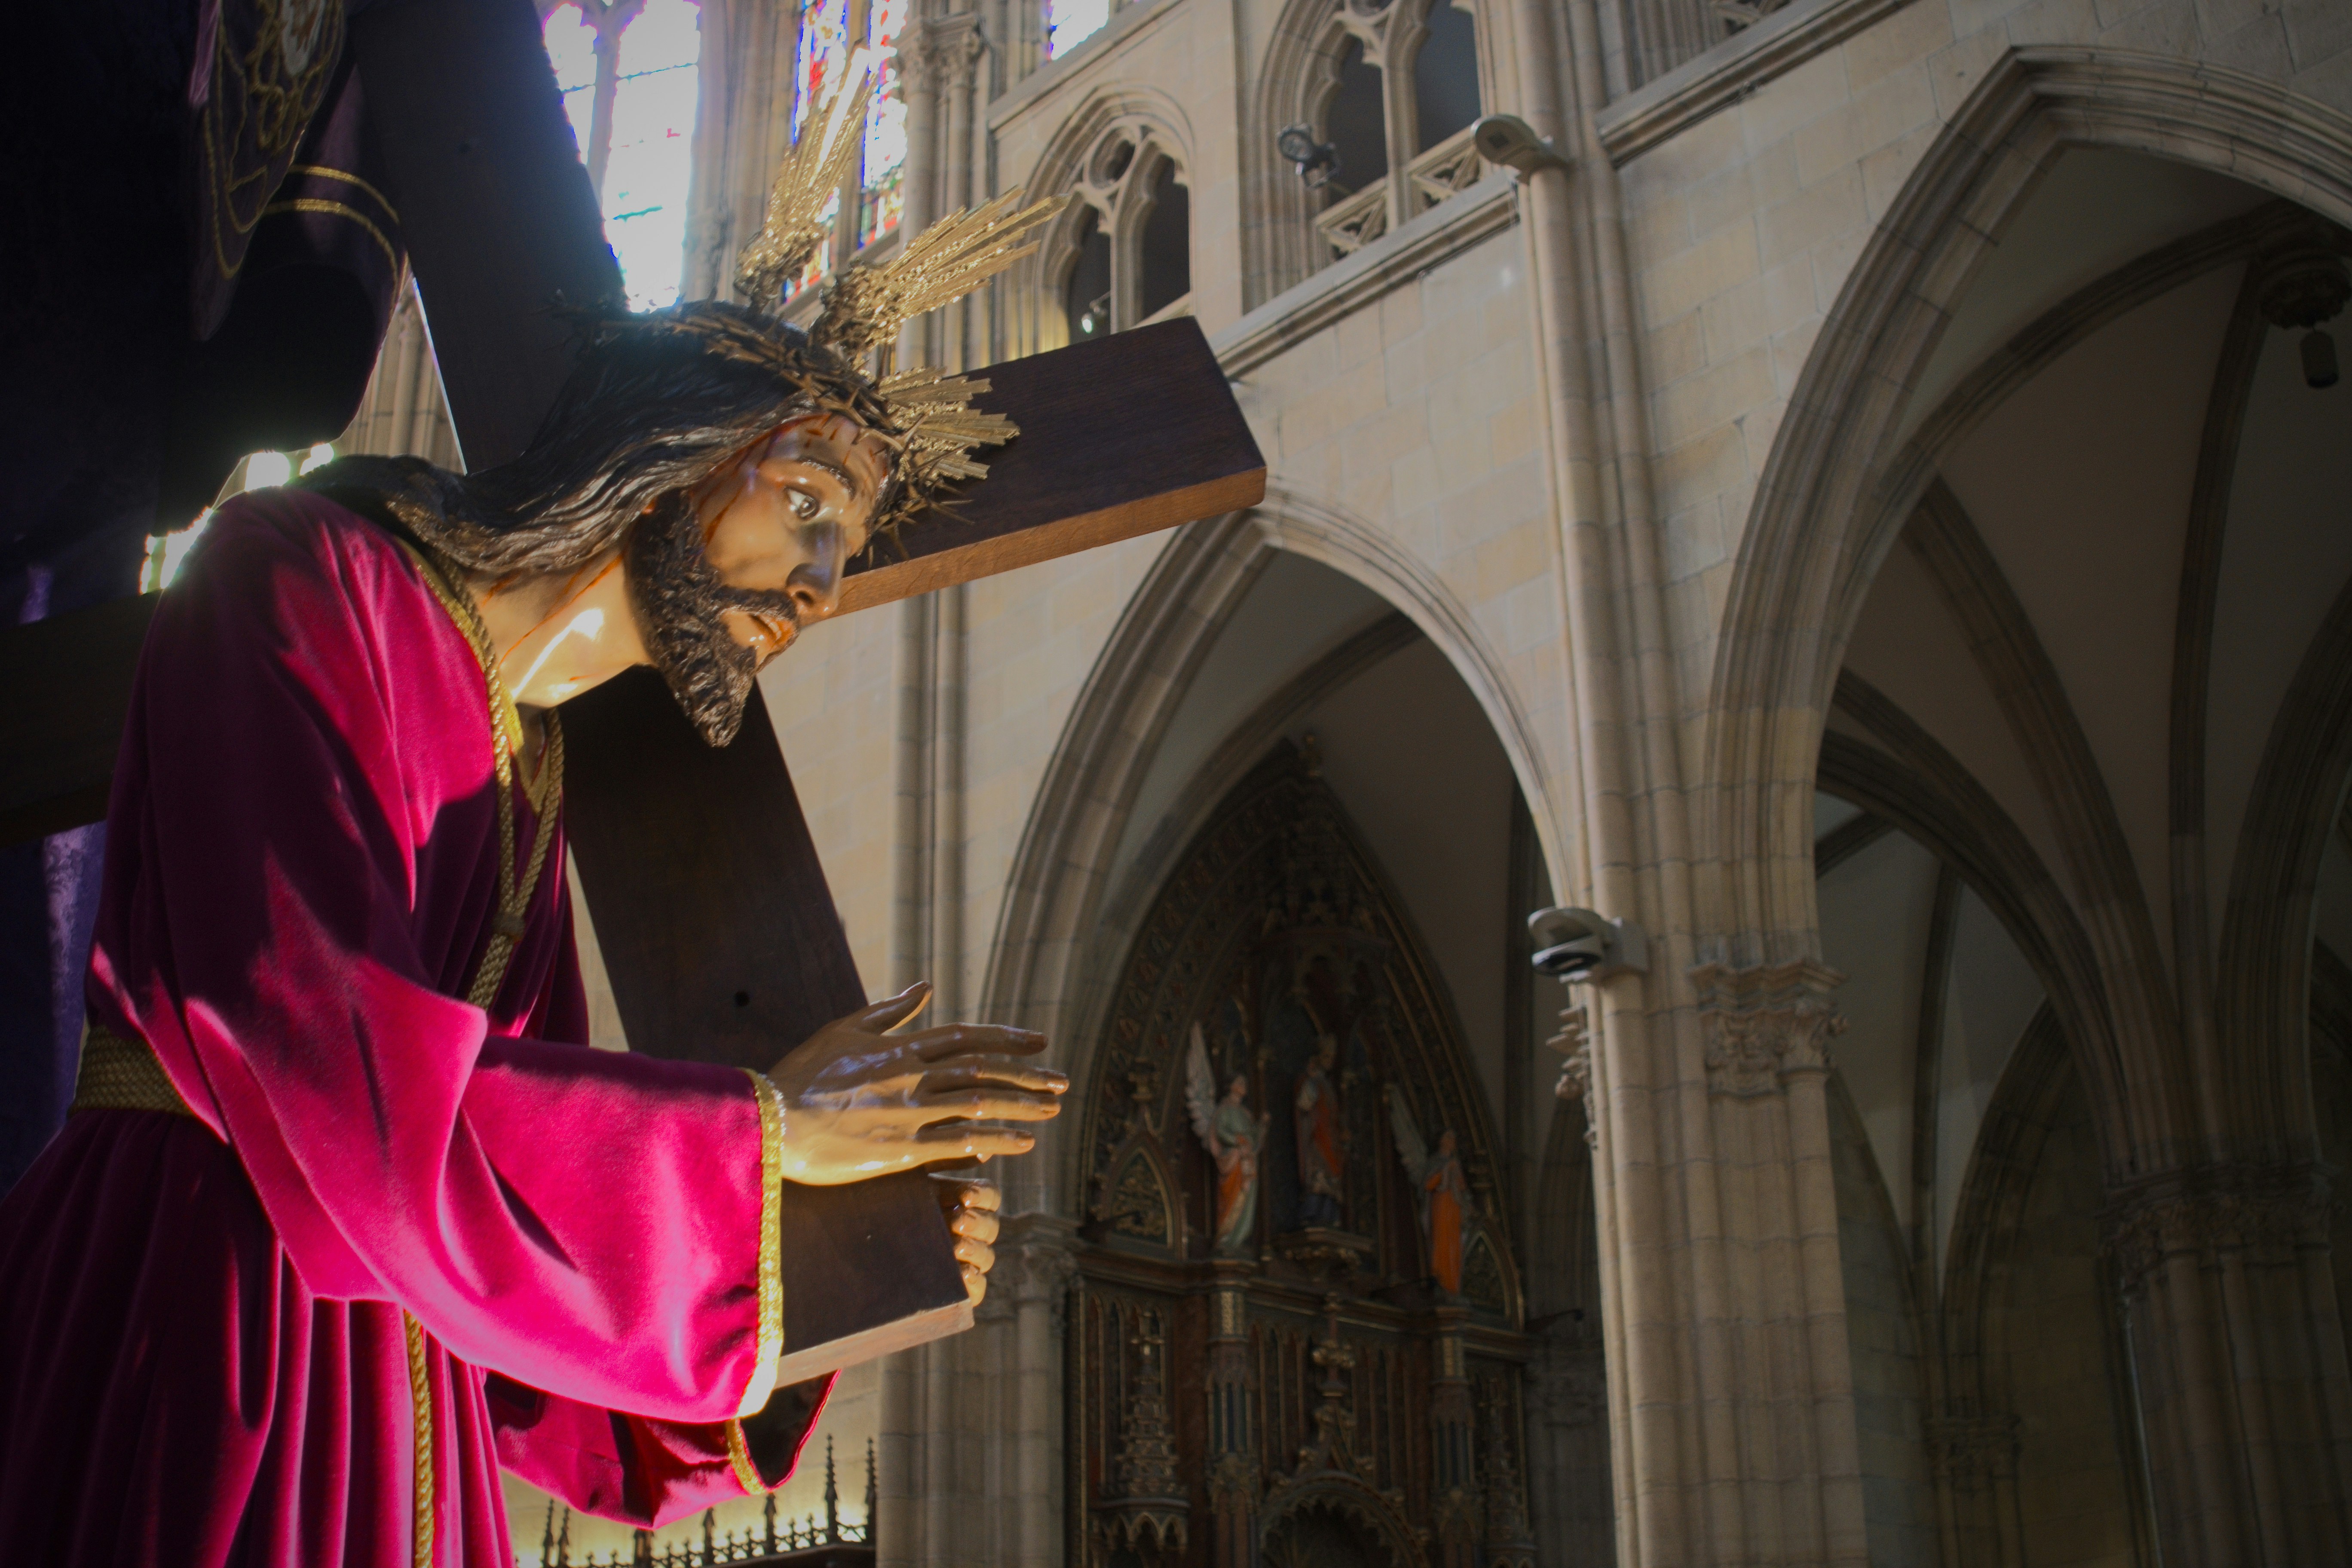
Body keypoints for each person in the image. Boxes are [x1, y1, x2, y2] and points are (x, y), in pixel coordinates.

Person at [0, 78, 1074, 1564]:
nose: (824, 584)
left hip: (401, 1390)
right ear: (681, 441)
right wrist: (767, 1139)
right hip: (201, 1304)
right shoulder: (301, 573)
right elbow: (313, 1049)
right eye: (809, 502)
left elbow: (537, 1355)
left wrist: (821, 1251)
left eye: (844, 543)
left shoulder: (534, 770)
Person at [1293, 1034, 1346, 1229]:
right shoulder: (1312, 1081)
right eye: (1326, 1056)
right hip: (1317, 1138)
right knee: (1318, 1175)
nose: (1330, 1061)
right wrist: (1311, 1083)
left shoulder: (1328, 1085)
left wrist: (1342, 1131)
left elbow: (1335, 1115)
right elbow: (1304, 1105)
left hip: (1331, 1140)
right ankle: (1313, 1213)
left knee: (1332, 1176)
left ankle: (1329, 1214)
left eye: (1332, 1057)